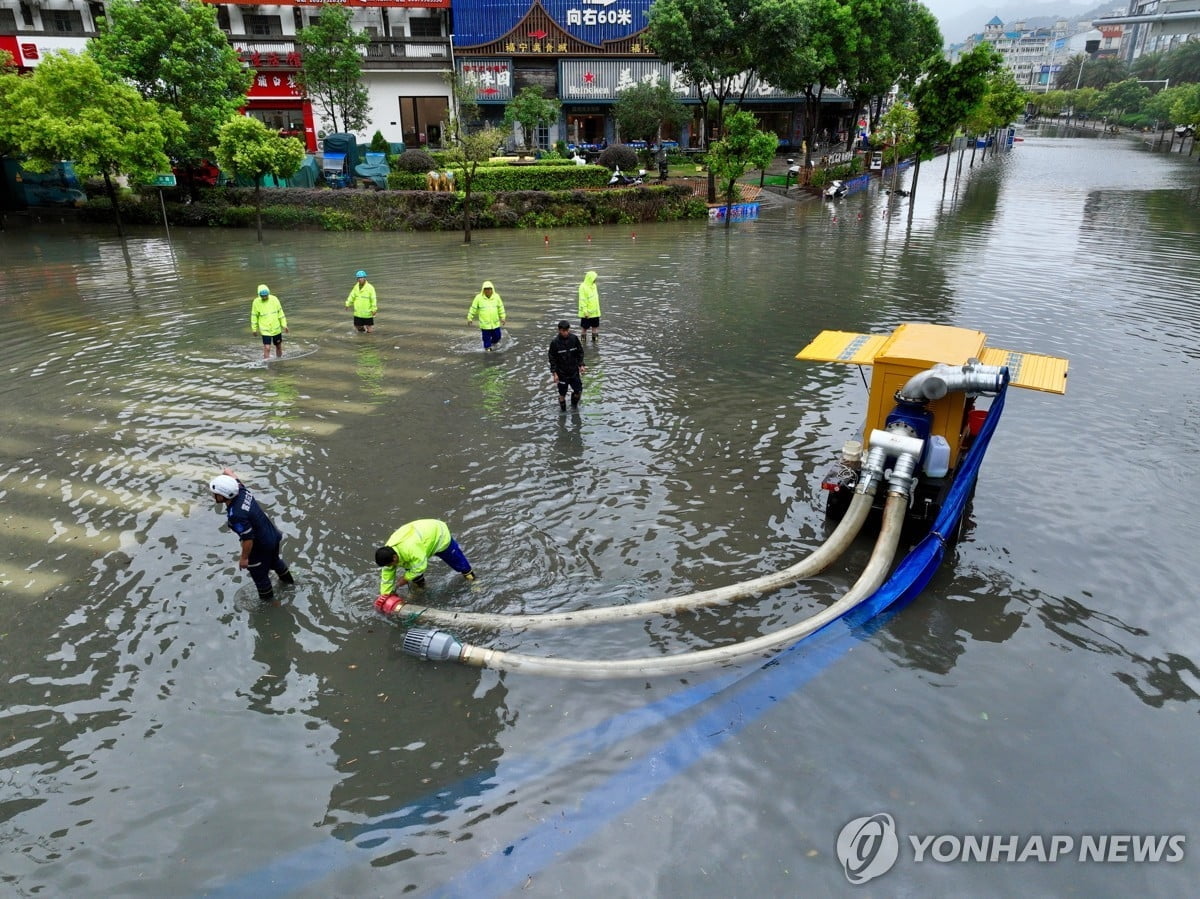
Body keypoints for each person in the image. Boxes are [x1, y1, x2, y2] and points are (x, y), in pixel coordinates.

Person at [210, 469, 295, 603]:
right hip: (272, 536)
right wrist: (227, 472)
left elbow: (248, 539)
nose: (213, 495)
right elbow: (234, 477)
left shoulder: (235, 515)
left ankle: (271, 606)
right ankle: (290, 582)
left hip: (260, 547)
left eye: (215, 493)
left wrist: (244, 559)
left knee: (260, 577)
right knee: (275, 560)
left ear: (223, 496)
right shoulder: (242, 492)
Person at [375, 520, 475, 600]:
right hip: (422, 538)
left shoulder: (411, 549)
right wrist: (386, 595)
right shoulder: (387, 554)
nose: (389, 567)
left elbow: (420, 566)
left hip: (439, 535)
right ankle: (420, 587)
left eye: (390, 565)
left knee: (459, 562)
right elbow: (387, 577)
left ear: (394, 557)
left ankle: (474, 581)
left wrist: (405, 579)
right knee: (410, 568)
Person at [548, 319, 586, 411]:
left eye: (567, 330)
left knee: (578, 391)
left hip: (573, 371)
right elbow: (552, 359)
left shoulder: (574, 338)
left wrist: (581, 365)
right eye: (563, 331)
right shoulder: (555, 342)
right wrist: (554, 374)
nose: (566, 333)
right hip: (562, 373)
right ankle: (563, 412)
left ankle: (574, 407)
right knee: (562, 394)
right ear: (559, 330)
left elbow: (580, 352)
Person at [251, 284, 288, 360]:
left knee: (278, 346)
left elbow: (280, 313)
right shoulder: (256, 302)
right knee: (267, 347)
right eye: (262, 296)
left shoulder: (274, 299)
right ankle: (266, 363)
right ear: (259, 295)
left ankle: (280, 361)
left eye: (266, 295)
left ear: (268, 293)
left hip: (276, 328)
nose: (264, 297)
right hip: (265, 330)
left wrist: (284, 325)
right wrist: (254, 329)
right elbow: (254, 316)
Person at [466, 280, 506, 351]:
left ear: (492, 289)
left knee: (497, 337)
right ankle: (488, 350)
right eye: (486, 289)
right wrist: (470, 318)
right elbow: (473, 308)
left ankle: (492, 344)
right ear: (483, 290)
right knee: (486, 339)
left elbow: (501, 307)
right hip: (485, 325)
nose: (488, 291)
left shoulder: (496, 297)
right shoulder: (478, 298)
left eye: (489, 289)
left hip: (495, 323)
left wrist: (503, 317)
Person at [577, 270, 601, 342]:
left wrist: (597, 311)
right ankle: (583, 342)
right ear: (590, 278)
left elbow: (595, 299)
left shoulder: (594, 285)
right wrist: (585, 311)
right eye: (594, 278)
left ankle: (595, 341)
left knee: (595, 327)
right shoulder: (582, 287)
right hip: (587, 313)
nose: (595, 280)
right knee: (584, 328)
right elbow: (582, 300)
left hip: (595, 312)